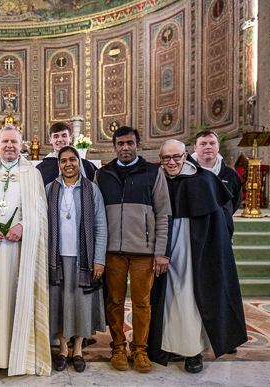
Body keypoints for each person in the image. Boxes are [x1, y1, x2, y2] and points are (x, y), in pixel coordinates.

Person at [147, 140, 247, 373]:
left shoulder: (203, 180)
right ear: (160, 159)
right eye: (166, 158)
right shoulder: (157, 180)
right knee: (167, 298)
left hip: (195, 249)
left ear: (185, 156)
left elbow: (220, 219)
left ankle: (193, 351)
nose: (171, 162)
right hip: (163, 247)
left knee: (190, 297)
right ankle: (168, 344)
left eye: (176, 157)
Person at [0, 125, 51, 376]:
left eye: (13, 142)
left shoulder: (32, 173)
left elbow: (40, 212)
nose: (9, 146)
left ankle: (21, 357)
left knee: (18, 298)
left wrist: (24, 226)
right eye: (4, 141)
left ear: (22, 145)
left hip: (20, 249)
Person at [93, 126, 171, 373]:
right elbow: (95, 216)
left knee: (142, 302)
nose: (125, 148)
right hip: (112, 250)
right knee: (114, 301)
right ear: (114, 146)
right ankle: (117, 346)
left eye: (129, 143)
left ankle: (140, 349)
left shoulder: (153, 172)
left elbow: (163, 214)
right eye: (120, 144)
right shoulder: (103, 174)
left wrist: (161, 252)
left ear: (138, 144)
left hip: (143, 251)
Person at [46, 146, 107, 373]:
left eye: (72, 159)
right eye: (63, 161)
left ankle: (78, 349)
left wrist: (98, 259)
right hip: (57, 259)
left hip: (84, 259)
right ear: (59, 164)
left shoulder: (92, 190)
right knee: (59, 303)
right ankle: (62, 349)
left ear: (79, 162)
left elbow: (100, 226)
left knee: (81, 304)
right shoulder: (49, 189)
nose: (68, 164)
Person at [191, 130, 242, 236]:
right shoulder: (186, 173)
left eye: (212, 143)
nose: (208, 147)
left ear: (218, 146)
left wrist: (224, 214)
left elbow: (235, 200)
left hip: (223, 230)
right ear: (195, 147)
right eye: (203, 144)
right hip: (193, 232)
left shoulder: (230, 174)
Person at [36, 122, 98, 186]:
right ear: (50, 140)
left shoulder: (86, 165)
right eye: (56, 136)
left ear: (70, 139)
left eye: (64, 136)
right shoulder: (41, 168)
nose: (60, 139)